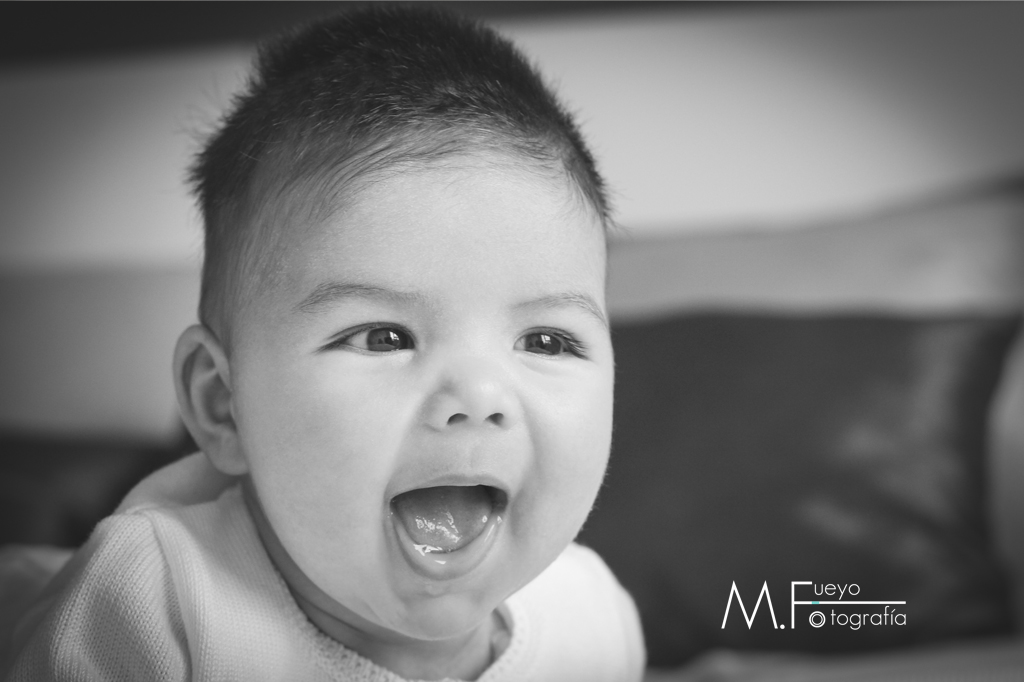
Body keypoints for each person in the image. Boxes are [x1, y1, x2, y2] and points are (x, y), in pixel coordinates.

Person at [6, 5, 644, 681]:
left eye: (546, 340)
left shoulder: (593, 617)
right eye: (384, 337)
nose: (480, 396)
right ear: (224, 404)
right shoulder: (155, 604)